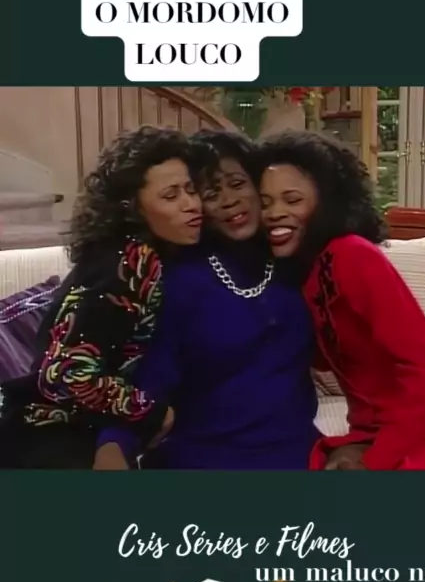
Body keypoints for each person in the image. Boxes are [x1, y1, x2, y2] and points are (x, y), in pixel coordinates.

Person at [96, 130, 320, 470]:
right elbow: (151, 379)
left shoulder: (296, 259)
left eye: (237, 184)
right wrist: (112, 446)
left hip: (300, 453)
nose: (229, 200)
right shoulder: (179, 280)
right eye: (212, 193)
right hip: (207, 459)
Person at [258, 130, 425, 471]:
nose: (274, 212)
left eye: (292, 200)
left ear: (326, 204)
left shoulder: (351, 255)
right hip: (375, 429)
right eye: (265, 203)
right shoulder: (302, 271)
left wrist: (376, 460)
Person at [0, 126, 205, 468]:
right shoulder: (135, 261)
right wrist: (153, 412)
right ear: (132, 208)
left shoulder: (129, 251)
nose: (191, 205)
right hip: (47, 433)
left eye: (191, 190)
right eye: (171, 196)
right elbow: (69, 372)